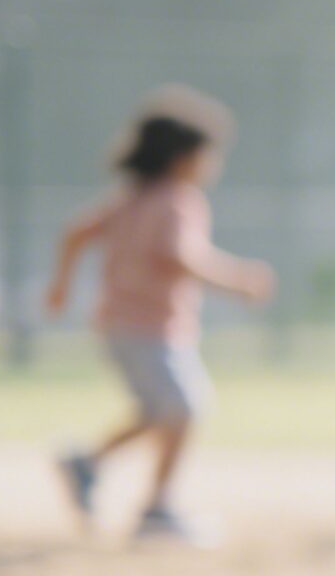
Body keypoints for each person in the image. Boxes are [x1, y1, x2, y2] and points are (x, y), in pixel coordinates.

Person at [45, 87, 274, 545]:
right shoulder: (177, 201)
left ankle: (87, 464)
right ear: (182, 158)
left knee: (160, 412)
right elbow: (182, 256)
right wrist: (239, 280)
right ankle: (158, 507)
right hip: (152, 328)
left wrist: (62, 285)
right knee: (185, 407)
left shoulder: (130, 198)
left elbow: (75, 233)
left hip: (117, 324)